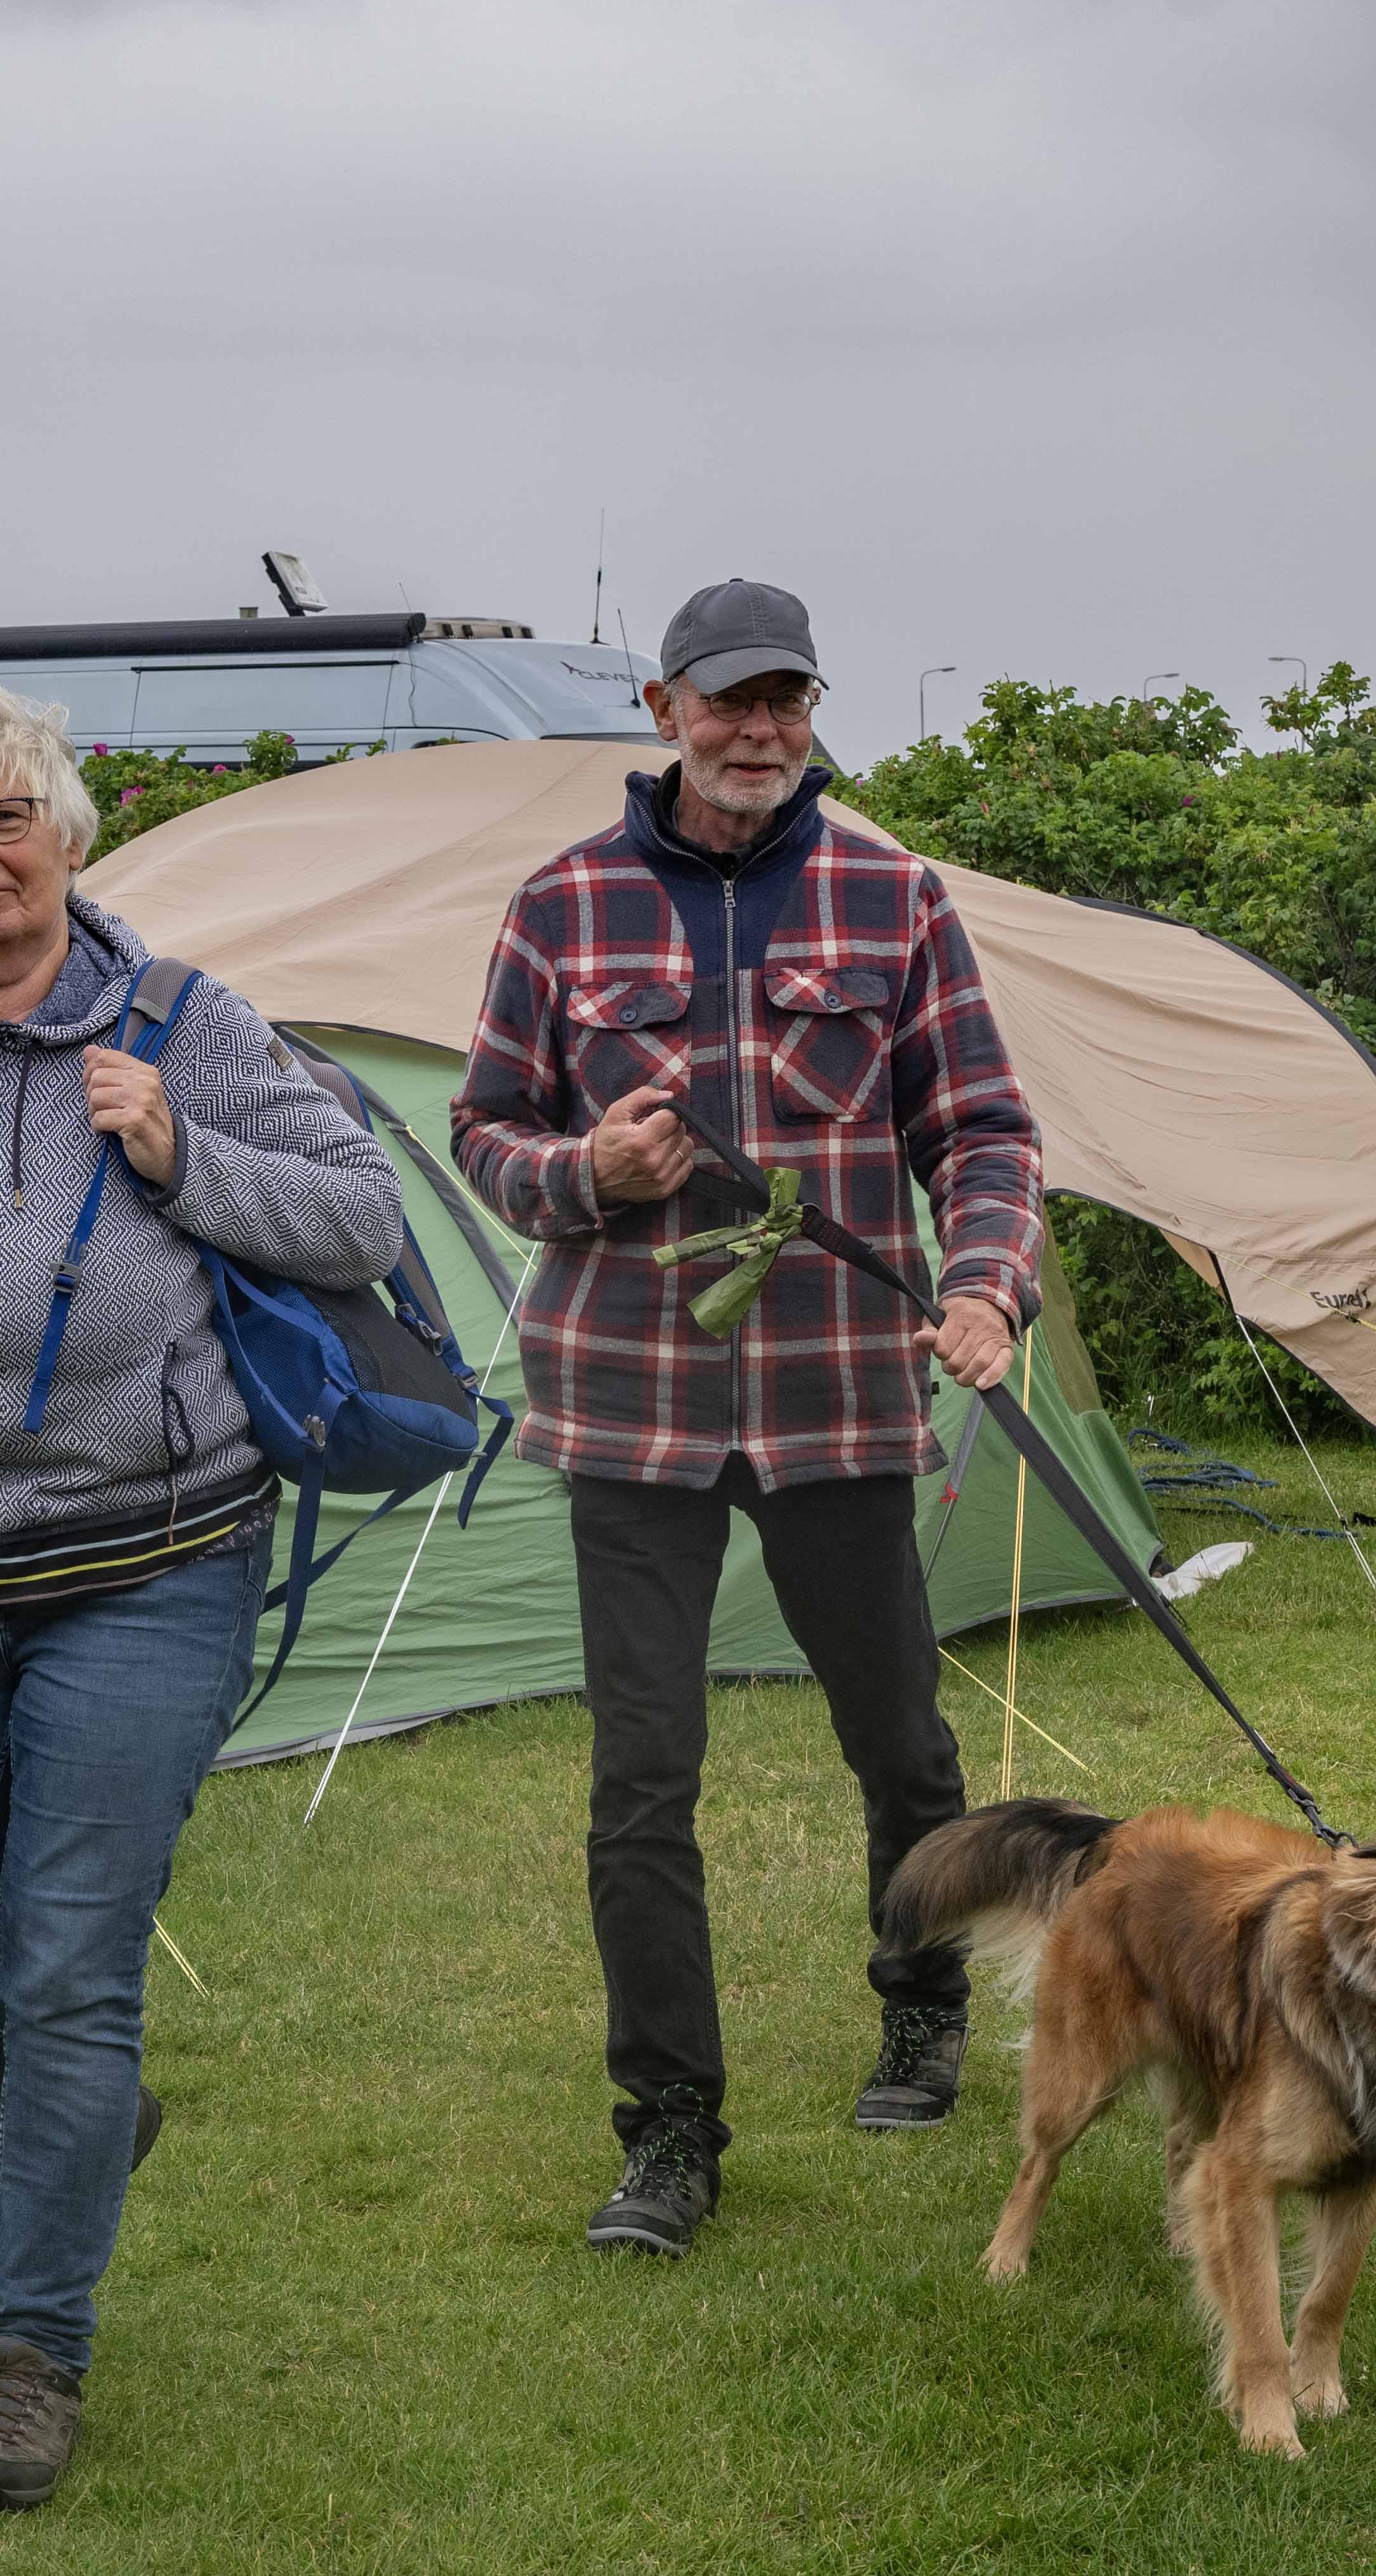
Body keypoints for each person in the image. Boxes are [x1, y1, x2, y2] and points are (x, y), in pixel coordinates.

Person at [0, 665, 408, 2509]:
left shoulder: (185, 1023)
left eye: (1, 816)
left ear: (65, 830)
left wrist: (182, 1155)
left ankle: (26, 2354)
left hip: (155, 1564)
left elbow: (365, 1216)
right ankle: (87, 2121)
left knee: (69, 1960)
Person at [448, 577, 1046, 2260]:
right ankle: (670, 2133)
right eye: (730, 702)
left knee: (900, 1738)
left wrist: (989, 1281)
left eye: (787, 701)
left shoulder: (891, 893)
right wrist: (593, 1171)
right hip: (630, 1410)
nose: (761, 732)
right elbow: (484, 1134)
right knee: (643, 1777)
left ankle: (920, 1996)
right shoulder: (561, 908)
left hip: (840, 1392)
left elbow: (986, 1130)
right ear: (663, 710)